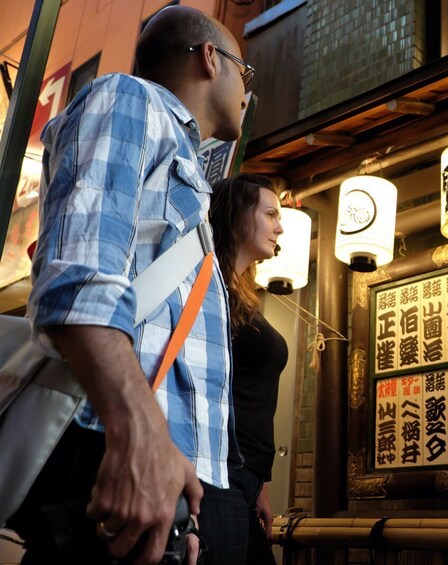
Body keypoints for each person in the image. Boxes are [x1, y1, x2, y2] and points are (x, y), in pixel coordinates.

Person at [7, 6, 254, 564]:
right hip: (116, 450)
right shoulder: (130, 100)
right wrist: (138, 432)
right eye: (247, 72)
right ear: (211, 58)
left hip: (168, 479)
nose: (247, 92)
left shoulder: (187, 163)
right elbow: (81, 278)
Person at [203, 173, 289, 564]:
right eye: (270, 213)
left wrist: (262, 485)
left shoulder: (242, 295)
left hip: (245, 477)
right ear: (239, 216)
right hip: (218, 472)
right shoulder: (207, 285)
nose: (279, 226)